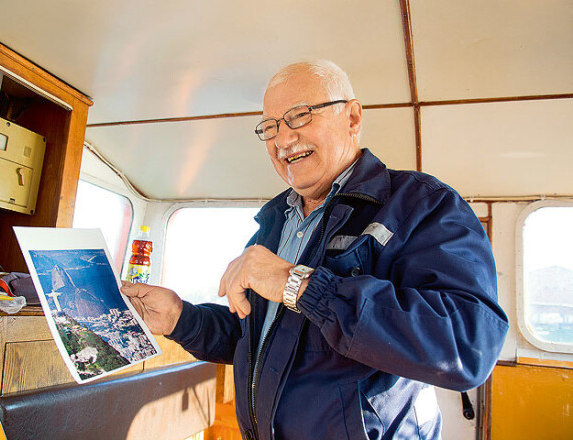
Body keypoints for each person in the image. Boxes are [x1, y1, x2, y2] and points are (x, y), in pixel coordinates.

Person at [121, 60, 509, 440]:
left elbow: (468, 345)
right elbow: (255, 337)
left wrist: (299, 285)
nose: (283, 139)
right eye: (270, 126)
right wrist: (178, 318)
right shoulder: (274, 222)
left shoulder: (421, 204)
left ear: (353, 119)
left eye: (300, 116)